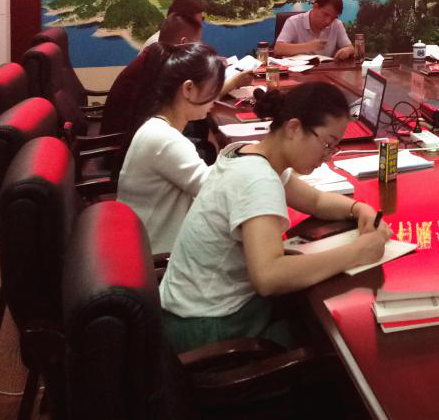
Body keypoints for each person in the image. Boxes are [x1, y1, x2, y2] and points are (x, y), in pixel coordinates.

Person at [160, 82, 392, 352]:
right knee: (330, 341)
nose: (327, 156)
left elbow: (316, 201)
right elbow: (268, 276)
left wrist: (359, 209)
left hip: (189, 308)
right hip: (207, 328)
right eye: (327, 144)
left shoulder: (249, 154)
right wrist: (358, 252)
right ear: (293, 128)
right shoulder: (258, 179)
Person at [117, 43, 225, 253]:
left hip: (144, 245)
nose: (216, 98)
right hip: (156, 255)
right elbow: (214, 190)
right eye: (213, 89)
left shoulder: (156, 128)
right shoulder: (165, 140)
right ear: (188, 89)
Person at [102, 12, 252, 137]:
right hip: (120, 142)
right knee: (200, 127)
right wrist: (233, 82)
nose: (198, 47)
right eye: (197, 42)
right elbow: (196, 97)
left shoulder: (157, 53)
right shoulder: (163, 65)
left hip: (136, 131)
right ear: (183, 42)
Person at [274, 0, 355, 60]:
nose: (328, 21)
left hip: (326, 70)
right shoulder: (293, 22)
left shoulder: (337, 24)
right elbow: (278, 49)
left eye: (333, 18)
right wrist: (308, 46)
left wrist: (347, 50)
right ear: (315, 7)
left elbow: (350, 48)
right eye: (326, 14)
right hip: (297, 71)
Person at [140, 0, 206, 50]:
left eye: (202, 19)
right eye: (196, 24)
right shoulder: (161, 47)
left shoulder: (165, 40)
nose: (201, 26)